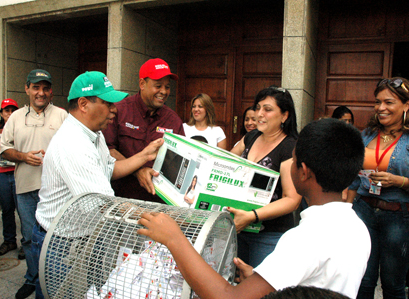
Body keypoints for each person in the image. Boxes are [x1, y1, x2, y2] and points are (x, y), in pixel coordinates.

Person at [138, 118, 371, 299]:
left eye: (292, 159)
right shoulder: (357, 227)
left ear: (304, 171)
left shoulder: (305, 238)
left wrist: (174, 239)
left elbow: (227, 297)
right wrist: (265, 281)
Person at [33, 71, 164, 298]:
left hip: (85, 236)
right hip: (60, 242)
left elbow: (109, 169)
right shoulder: (72, 143)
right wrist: (164, 219)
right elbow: (105, 204)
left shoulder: (95, 134)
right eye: (108, 103)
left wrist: (144, 156)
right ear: (84, 104)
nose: (115, 109)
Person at [0, 69, 68, 299]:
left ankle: (52, 280)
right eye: (36, 87)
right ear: (27, 89)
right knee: (29, 237)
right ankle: (32, 278)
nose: (41, 92)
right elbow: (3, 149)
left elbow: (73, 146)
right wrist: (22, 156)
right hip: (25, 187)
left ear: (51, 91)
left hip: (56, 191)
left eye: (45, 88)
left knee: (54, 238)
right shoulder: (16, 117)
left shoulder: (62, 115)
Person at [347, 77, 409, 299]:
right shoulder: (368, 134)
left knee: (392, 284)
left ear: (406, 105)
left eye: (389, 102)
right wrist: (347, 213)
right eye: (378, 102)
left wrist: (398, 181)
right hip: (363, 210)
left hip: (398, 216)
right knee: (362, 280)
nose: (381, 108)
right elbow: (354, 177)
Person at [229, 87, 301, 267]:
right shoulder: (251, 137)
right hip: (238, 228)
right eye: (258, 107)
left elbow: (292, 199)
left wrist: (252, 216)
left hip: (269, 235)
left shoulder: (289, 147)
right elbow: (227, 162)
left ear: (285, 115)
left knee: (261, 290)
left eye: (267, 109)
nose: (259, 114)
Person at [103, 58, 184, 203]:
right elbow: (107, 150)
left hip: (158, 207)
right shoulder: (119, 111)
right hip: (120, 202)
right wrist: (137, 171)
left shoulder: (174, 120)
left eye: (167, 87)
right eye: (158, 86)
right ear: (142, 84)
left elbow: (180, 162)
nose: (164, 92)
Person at [0, 99, 21, 257]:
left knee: (23, 210)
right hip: (2, 174)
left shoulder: (22, 128)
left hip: (18, 172)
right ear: (1, 114)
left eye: (12, 110)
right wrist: (3, 145)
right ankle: (9, 240)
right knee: (7, 210)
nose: (9, 114)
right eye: (6, 111)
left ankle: (26, 242)